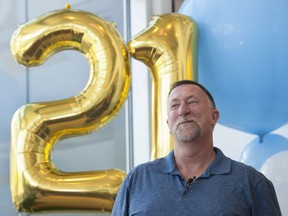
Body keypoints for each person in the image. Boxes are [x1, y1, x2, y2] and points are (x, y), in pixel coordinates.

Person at [112, 80, 282, 216]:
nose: (183, 111)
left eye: (192, 102)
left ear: (213, 117)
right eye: (174, 105)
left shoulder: (252, 182)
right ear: (168, 125)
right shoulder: (136, 180)